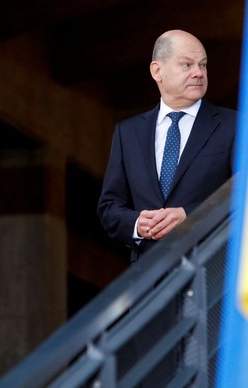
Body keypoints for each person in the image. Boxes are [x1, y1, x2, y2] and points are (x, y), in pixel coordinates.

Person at [97, 30, 237, 263]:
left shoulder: (235, 125)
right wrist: (138, 224)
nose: (198, 73)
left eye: (203, 65)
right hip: (149, 280)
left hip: (212, 275)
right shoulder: (128, 132)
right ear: (157, 71)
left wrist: (189, 216)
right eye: (186, 65)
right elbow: (109, 207)